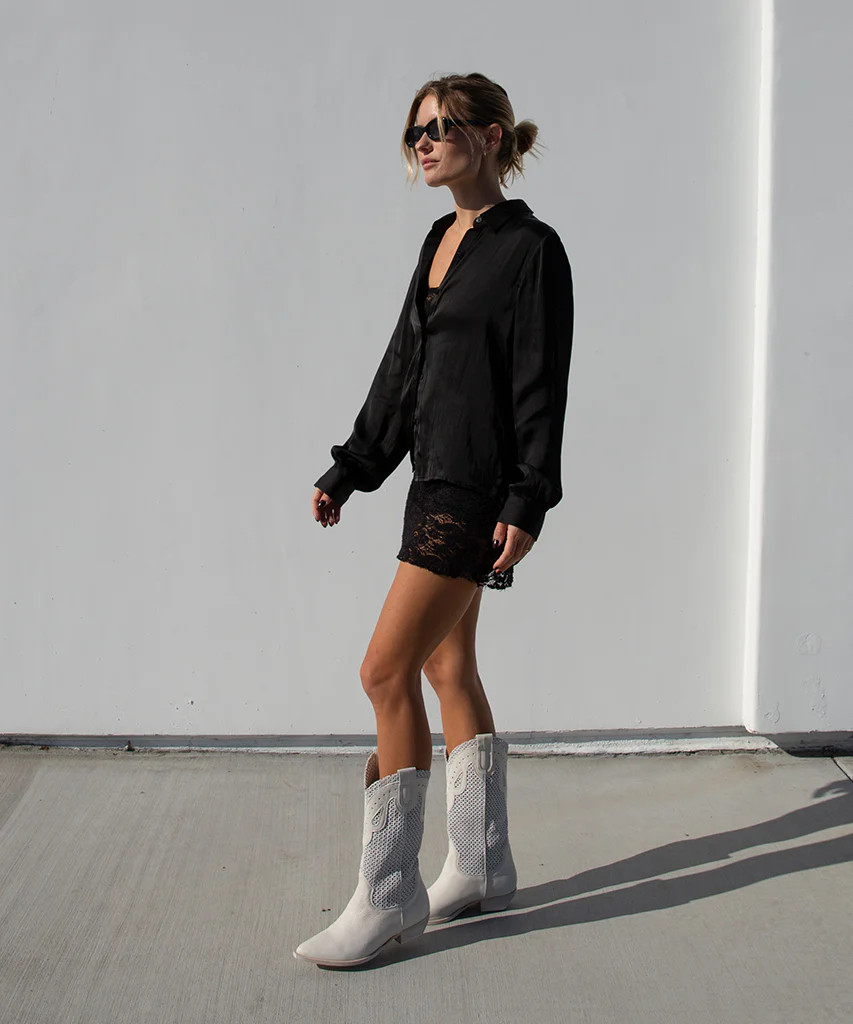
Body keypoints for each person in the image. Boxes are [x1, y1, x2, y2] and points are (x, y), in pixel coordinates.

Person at [293, 72, 574, 968]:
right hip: (430, 477)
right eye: (415, 130)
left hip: (476, 490)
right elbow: (403, 365)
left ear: (490, 137)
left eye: (442, 127)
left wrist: (528, 497)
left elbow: (540, 383)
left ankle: (388, 896)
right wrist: (353, 466)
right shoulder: (440, 238)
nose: (423, 142)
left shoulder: (532, 249)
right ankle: (483, 865)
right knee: (447, 664)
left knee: (383, 672)